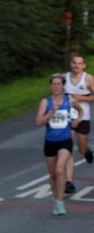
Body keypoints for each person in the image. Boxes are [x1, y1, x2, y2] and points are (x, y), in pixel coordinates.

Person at [37, 74, 82, 217]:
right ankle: (56, 199)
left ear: (63, 86)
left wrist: (77, 120)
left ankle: (61, 201)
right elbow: (38, 122)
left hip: (65, 140)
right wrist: (51, 112)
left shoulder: (70, 100)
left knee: (59, 170)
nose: (56, 86)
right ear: (51, 86)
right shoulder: (46, 102)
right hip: (50, 141)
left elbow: (80, 110)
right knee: (52, 175)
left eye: (58, 84)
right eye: (53, 84)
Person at [63, 53, 94, 194]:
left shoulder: (88, 78)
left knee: (81, 149)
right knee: (67, 148)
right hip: (67, 118)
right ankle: (69, 182)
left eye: (79, 63)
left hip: (83, 118)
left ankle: (87, 152)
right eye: (74, 63)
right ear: (71, 64)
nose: (76, 65)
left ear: (84, 65)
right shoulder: (64, 78)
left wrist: (82, 98)